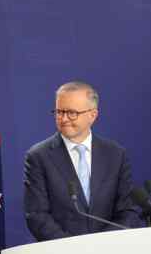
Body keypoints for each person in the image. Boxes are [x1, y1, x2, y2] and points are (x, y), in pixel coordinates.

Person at [23, 81, 138, 241]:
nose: (63, 119)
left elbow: (127, 211)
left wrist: (102, 246)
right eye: (59, 112)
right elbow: (37, 216)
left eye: (71, 113)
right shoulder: (38, 156)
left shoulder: (115, 154)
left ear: (93, 115)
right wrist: (74, 250)